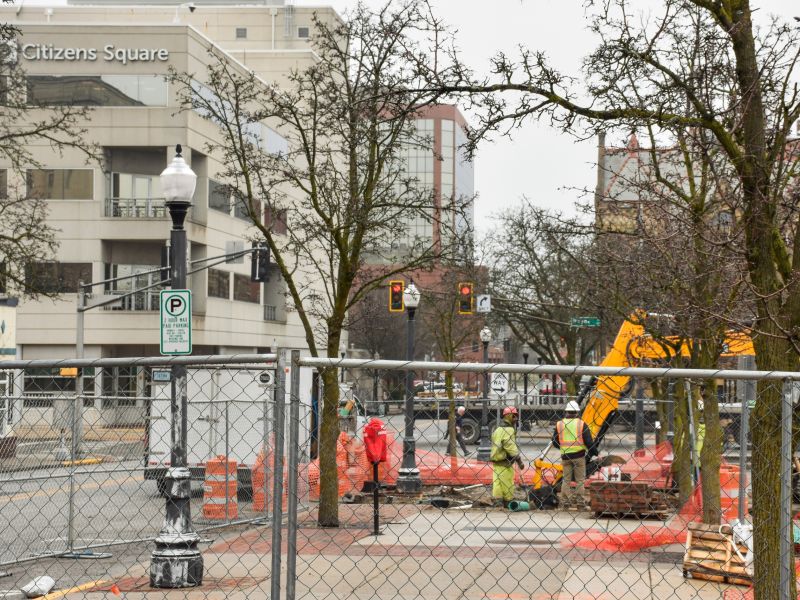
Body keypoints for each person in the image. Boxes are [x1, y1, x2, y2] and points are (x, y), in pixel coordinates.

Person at [552, 400, 593, 509]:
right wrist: (593, 450)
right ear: (577, 412)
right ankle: (580, 502)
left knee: (566, 480)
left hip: (565, 456)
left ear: (566, 412)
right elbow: (588, 441)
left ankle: (565, 502)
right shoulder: (581, 424)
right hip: (579, 456)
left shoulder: (559, 424)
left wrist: (563, 448)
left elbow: (554, 441)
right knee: (580, 480)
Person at [490, 406, 524, 508]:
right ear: (509, 416)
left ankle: (497, 501)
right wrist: (519, 461)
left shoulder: (498, 429)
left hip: (496, 461)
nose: (516, 419)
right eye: (514, 416)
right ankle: (509, 501)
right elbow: (511, 447)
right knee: (507, 482)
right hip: (505, 461)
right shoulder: (508, 430)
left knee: (497, 483)